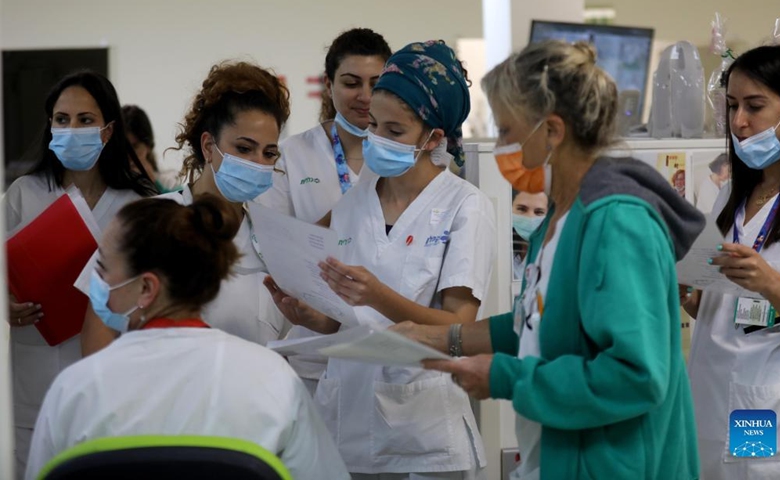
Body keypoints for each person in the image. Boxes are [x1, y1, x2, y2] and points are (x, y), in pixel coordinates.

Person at [392, 40, 704, 479]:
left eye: (506, 131)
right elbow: (537, 326)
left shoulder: (617, 223)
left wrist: (506, 379)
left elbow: (637, 375)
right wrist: (436, 339)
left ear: (552, 132)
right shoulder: (559, 218)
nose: (500, 145)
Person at [265, 40, 493, 479]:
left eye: (394, 132)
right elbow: (346, 319)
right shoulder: (354, 203)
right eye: (373, 126)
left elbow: (459, 327)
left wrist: (378, 294)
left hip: (424, 434)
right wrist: (312, 315)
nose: (376, 140)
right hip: (345, 424)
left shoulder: (466, 206)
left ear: (433, 139)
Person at [24, 195, 349, 480]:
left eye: (104, 268)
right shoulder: (272, 378)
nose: (97, 281)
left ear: (147, 288)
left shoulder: (77, 389)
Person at [3, 70, 156, 478]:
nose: (72, 129)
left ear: (107, 130)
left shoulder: (137, 202)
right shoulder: (22, 193)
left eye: (85, 120)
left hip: (113, 370)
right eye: (62, 119)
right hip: (34, 370)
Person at [80, 61, 290, 355]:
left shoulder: (272, 239)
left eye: (269, 153)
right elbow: (99, 324)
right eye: (244, 148)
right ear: (207, 146)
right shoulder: (151, 221)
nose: (258, 163)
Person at [685, 45, 780, 480]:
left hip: (762, 405)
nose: (739, 122)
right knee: (717, 468)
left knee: (750, 471)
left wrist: (769, 282)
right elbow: (707, 307)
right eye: (732, 106)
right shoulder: (727, 197)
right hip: (708, 396)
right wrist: (679, 289)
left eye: (755, 106)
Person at [259, 28, 391, 394]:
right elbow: (275, 247)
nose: (365, 96)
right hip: (314, 352)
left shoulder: (402, 158)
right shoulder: (291, 156)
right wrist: (349, 208)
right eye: (351, 83)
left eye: (376, 83)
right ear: (329, 84)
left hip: (387, 350)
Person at [121, 104, 181, 193]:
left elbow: (182, 204)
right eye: (123, 147)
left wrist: (154, 183)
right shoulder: (107, 185)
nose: (129, 155)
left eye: (134, 147)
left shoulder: (169, 181)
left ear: (148, 146)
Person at [511, 190, 547, 280]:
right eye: (522, 209)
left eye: (538, 212)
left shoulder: (550, 253)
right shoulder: (504, 250)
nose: (530, 217)